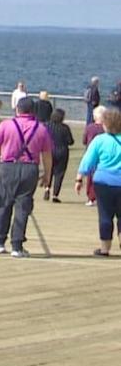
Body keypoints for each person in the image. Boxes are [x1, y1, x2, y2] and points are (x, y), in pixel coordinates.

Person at [0, 97, 53, 258]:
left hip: (8, 167)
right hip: (30, 169)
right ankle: (17, 246)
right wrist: (47, 175)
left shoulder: (6, 125)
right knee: (23, 207)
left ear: (17, 109)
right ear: (33, 111)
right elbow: (47, 155)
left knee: (4, 203)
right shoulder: (41, 129)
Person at [75, 107, 121, 256]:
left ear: (105, 124)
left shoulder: (100, 140)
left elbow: (88, 161)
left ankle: (105, 248)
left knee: (105, 215)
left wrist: (79, 178)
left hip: (103, 182)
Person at [44, 108, 74, 202]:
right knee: (59, 173)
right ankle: (55, 195)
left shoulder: (47, 125)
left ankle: (47, 188)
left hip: (49, 151)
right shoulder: (65, 128)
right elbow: (70, 141)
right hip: (62, 151)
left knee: (49, 171)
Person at [83, 106, 107, 206]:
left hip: (91, 154)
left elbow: (84, 140)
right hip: (103, 155)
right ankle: (101, 197)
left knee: (90, 177)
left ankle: (91, 198)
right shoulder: (106, 129)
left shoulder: (89, 127)